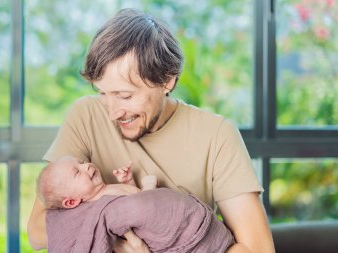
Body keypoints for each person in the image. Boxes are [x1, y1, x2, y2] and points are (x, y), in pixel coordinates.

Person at [28, 8, 275, 253]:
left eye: (124, 95)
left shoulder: (217, 135)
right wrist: (115, 242)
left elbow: (258, 249)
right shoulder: (86, 116)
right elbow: (38, 232)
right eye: (102, 93)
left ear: (167, 81)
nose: (113, 111)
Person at [37, 155, 235, 253]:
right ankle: (150, 187)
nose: (86, 166)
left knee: (145, 197)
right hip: (144, 229)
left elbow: (134, 198)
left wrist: (127, 181)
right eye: (77, 172)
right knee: (146, 196)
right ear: (72, 202)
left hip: (148, 206)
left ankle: (150, 188)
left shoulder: (106, 189)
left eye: (81, 162)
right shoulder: (97, 208)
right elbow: (124, 220)